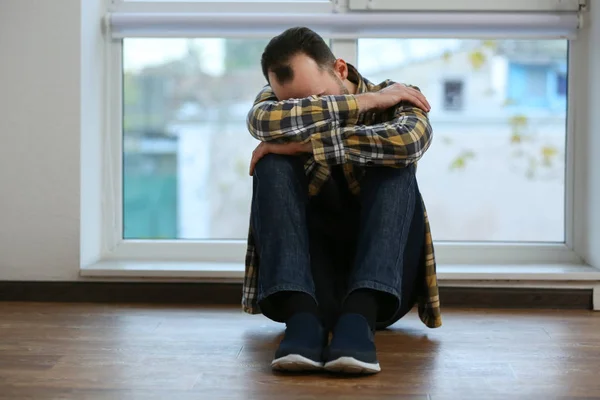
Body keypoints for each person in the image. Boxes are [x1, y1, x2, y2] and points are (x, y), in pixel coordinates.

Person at [242, 27, 442, 375]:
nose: (312, 109)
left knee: (394, 161)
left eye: (318, 98)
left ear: (341, 69)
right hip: (307, 284)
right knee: (271, 163)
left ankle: (358, 319)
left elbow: (409, 141)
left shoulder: (398, 97)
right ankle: (302, 320)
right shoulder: (277, 97)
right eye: (301, 107)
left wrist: (305, 144)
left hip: (383, 288)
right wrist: (362, 103)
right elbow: (260, 121)